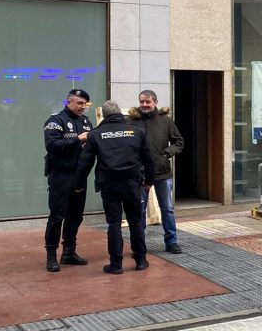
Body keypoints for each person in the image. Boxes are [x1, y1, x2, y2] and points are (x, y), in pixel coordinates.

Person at [75, 100, 155, 274]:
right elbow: (149, 160)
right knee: (135, 221)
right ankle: (141, 260)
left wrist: (79, 185)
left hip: (109, 184)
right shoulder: (136, 131)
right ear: (119, 113)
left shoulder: (96, 134)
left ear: (103, 115)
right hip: (132, 183)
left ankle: (116, 264)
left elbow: (84, 163)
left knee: (114, 224)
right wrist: (148, 181)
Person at [127, 89, 185, 254]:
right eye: (142, 102)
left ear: (155, 102)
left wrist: (166, 154)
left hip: (162, 173)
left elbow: (179, 141)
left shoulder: (165, 121)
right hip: (139, 174)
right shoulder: (131, 121)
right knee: (139, 210)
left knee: (167, 208)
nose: (144, 105)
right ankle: (139, 245)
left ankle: (171, 242)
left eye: (148, 102)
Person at [43, 88, 94, 273]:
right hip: (61, 175)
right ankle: (51, 255)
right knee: (57, 216)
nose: (82, 107)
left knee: (76, 216)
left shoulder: (86, 122)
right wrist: (77, 140)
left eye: (85, 104)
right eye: (79, 103)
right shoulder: (56, 121)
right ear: (68, 102)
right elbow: (52, 146)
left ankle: (69, 252)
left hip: (80, 176)